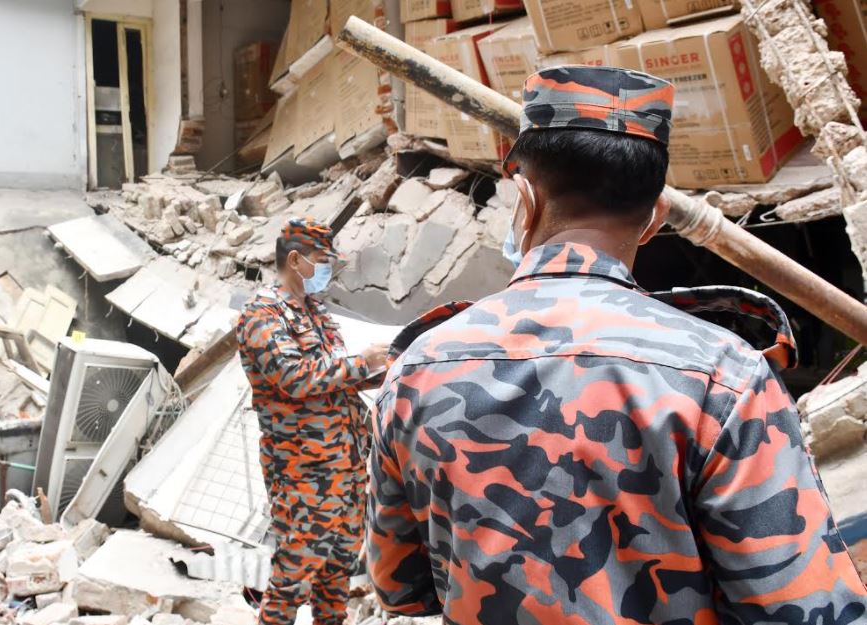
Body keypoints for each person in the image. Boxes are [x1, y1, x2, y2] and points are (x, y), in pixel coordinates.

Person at [368, 66, 867, 624]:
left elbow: (399, 589)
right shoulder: (722, 376)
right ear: (655, 218)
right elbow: (809, 608)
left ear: (524, 199)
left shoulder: (416, 369)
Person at [236, 217, 389, 625]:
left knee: (337, 575)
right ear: (295, 260)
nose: (327, 269)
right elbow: (294, 378)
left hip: (346, 468)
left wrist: (382, 371)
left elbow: (332, 378)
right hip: (302, 471)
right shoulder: (262, 315)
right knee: (293, 575)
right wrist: (361, 363)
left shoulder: (316, 312)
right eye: (322, 261)